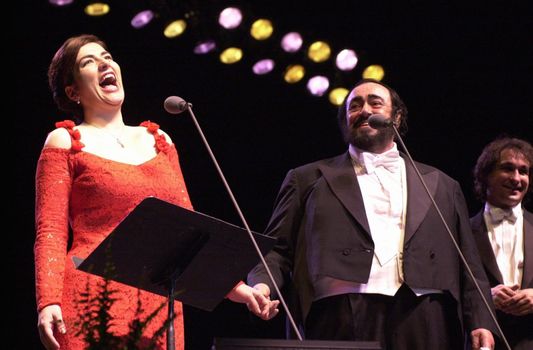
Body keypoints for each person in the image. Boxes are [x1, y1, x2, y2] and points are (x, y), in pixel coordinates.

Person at [35, 34, 278, 350]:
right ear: (73, 91)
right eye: (88, 62)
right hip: (93, 297)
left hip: (159, 300)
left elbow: (190, 232)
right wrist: (48, 301)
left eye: (107, 56)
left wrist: (238, 289)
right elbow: (50, 231)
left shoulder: (158, 140)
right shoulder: (64, 141)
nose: (104, 63)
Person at [246, 79, 497, 349]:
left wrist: (481, 320)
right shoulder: (306, 179)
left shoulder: (443, 184)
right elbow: (276, 249)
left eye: (375, 103)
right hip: (340, 312)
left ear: (396, 118)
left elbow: (469, 264)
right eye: (354, 106)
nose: (364, 110)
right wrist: (262, 285)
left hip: (425, 312)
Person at [470, 137, 533, 349]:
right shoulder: (463, 231)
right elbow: (451, 289)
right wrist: (486, 298)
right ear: (486, 175)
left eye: (523, 171)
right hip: (484, 340)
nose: (517, 178)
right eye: (507, 168)